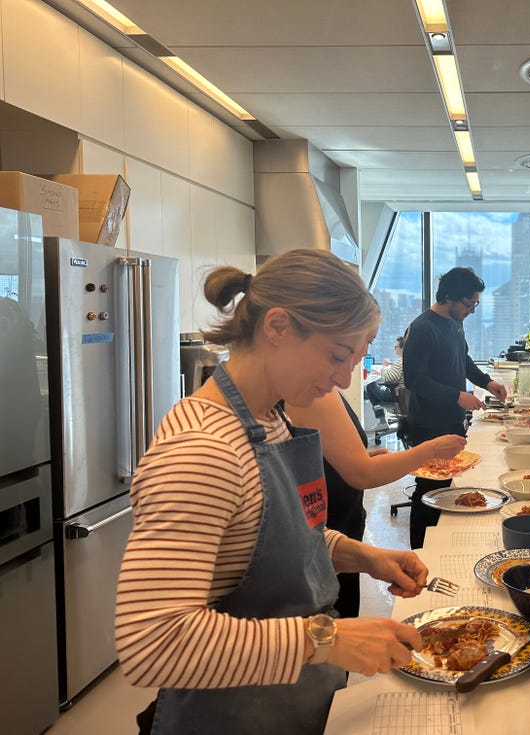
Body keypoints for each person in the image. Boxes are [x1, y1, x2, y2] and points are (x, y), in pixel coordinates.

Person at [116, 250, 426, 735]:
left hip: (292, 700)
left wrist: (362, 556)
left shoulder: (270, 421)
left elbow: (273, 544)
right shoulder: (204, 450)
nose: (344, 379)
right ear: (277, 327)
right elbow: (151, 644)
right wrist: (327, 638)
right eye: (337, 355)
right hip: (229, 715)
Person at [285, 386, 465, 618]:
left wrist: (363, 457)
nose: (344, 374)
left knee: (345, 610)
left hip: (337, 530)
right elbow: (364, 475)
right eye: (339, 355)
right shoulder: (311, 392)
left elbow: (322, 458)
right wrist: (432, 449)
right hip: (332, 520)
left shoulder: (322, 387)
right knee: (336, 617)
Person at [402, 266, 508, 548]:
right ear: (449, 296)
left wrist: (487, 382)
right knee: (429, 491)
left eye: (475, 304)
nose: (472, 310)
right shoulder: (422, 328)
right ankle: (421, 552)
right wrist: (456, 396)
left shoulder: (455, 324)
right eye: (469, 303)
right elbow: (414, 380)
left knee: (448, 488)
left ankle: (442, 545)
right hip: (427, 425)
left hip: (450, 420)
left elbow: (464, 359)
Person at [364, 335, 404, 406]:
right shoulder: (405, 360)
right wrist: (380, 373)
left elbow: (388, 379)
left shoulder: (401, 361)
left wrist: (384, 366)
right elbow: (394, 375)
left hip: (395, 394)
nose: (394, 349)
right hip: (401, 393)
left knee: (370, 386)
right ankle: (379, 409)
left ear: (402, 348)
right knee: (371, 390)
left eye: (396, 347)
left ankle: (379, 410)